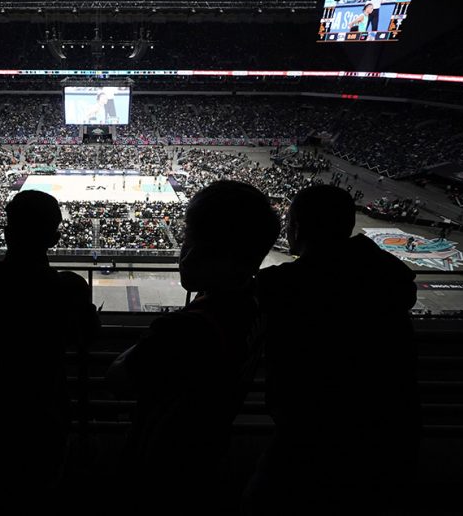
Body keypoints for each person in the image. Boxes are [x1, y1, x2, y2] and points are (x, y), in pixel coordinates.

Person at [245, 184, 420, 513]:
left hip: (308, 431)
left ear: (295, 228)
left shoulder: (281, 285)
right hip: (390, 430)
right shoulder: (386, 278)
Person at [107, 181, 280, 514]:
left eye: (189, 239)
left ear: (212, 252)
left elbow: (117, 379)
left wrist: (160, 333)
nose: (183, 251)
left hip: (162, 459)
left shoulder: (186, 329)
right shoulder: (258, 303)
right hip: (211, 443)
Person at [0, 190, 99, 512]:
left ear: (5, 233)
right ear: (55, 237)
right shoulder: (70, 288)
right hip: (42, 410)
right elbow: (90, 337)